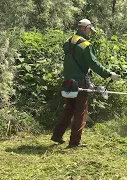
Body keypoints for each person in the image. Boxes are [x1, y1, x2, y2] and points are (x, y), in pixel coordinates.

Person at [51, 19, 120, 148]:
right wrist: (109, 74)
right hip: (80, 83)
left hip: (67, 81)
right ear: (85, 28)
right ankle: (74, 142)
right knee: (80, 111)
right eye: (90, 30)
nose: (90, 33)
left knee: (68, 109)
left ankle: (57, 135)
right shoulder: (86, 45)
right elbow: (94, 64)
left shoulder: (68, 42)